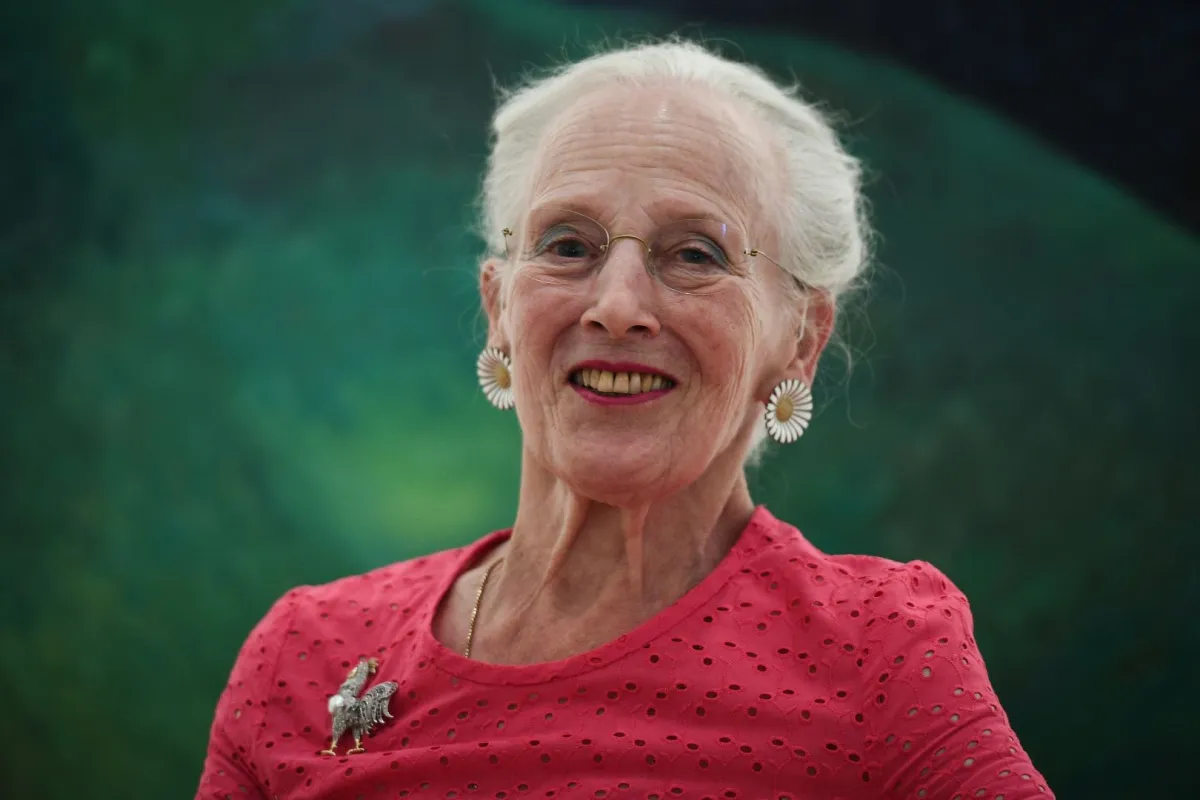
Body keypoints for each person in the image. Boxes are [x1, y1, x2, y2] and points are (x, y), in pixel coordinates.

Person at [196, 39, 1054, 799]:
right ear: (499, 308)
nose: (616, 307)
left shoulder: (879, 651)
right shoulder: (303, 655)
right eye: (568, 245)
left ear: (799, 338)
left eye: (695, 254)